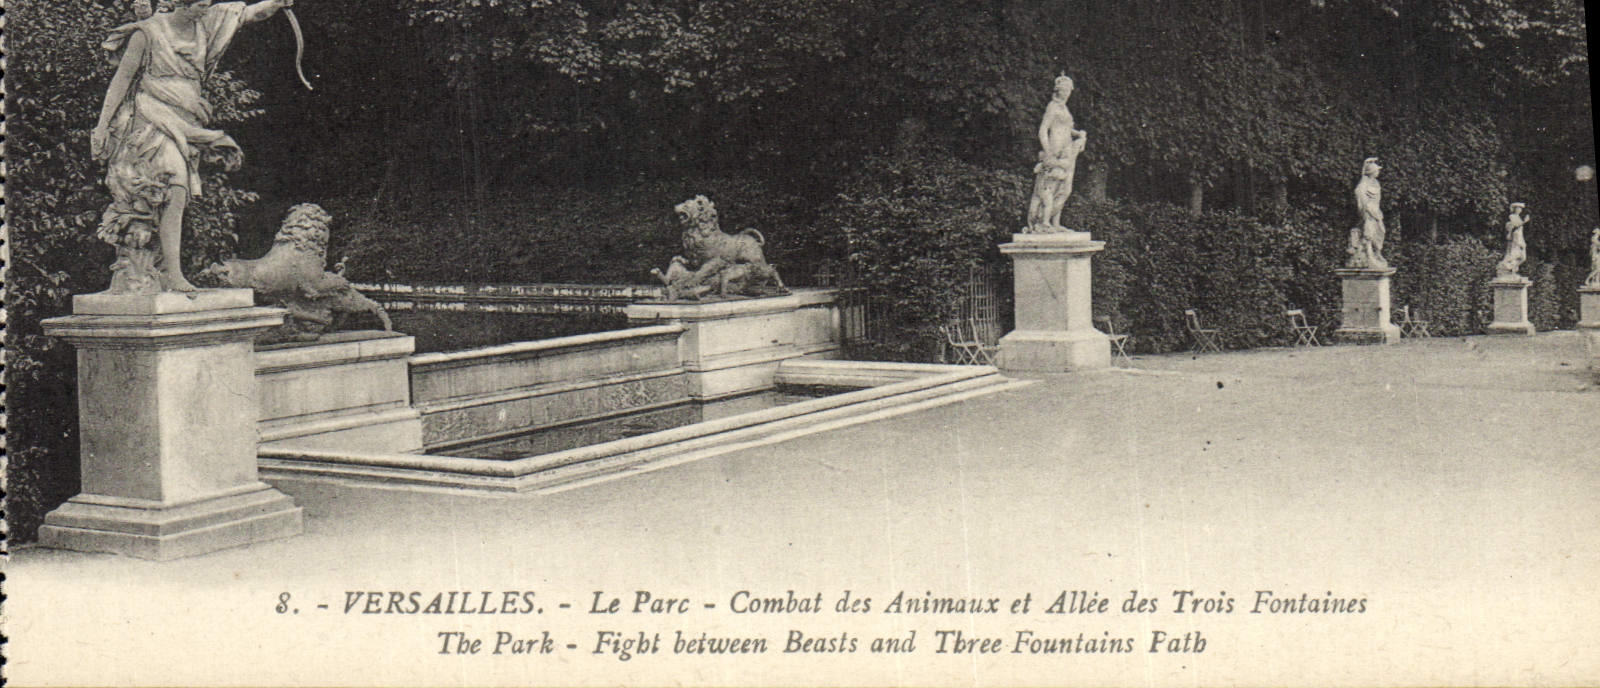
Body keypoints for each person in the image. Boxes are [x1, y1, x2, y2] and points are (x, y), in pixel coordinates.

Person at [92, 0, 296, 292]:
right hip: (152, 116)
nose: (205, 9)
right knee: (174, 188)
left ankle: (162, 269)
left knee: (174, 195)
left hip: (187, 121)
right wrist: (101, 127)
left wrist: (275, 2)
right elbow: (121, 80)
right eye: (199, 4)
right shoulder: (147, 33)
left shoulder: (205, 24)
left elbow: (248, 14)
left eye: (206, 4)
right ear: (179, 3)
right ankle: (173, 275)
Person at [1026, 75, 1088, 232]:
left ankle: (1055, 222)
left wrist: (1078, 133)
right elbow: (1042, 130)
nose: (1067, 92)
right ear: (1058, 90)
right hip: (1055, 149)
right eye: (1064, 89)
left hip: (1067, 150)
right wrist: (1048, 153)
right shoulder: (1052, 106)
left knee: (1065, 188)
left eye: (1069, 89)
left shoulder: (1064, 109)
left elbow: (1066, 128)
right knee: (1050, 186)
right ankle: (1043, 221)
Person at [1348, 157, 1388, 269]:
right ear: (1371, 172)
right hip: (1368, 212)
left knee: (1381, 231)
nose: (1378, 172)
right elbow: (1360, 198)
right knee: (1368, 233)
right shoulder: (1363, 185)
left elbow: (1377, 200)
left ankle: (1377, 253)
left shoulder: (1376, 183)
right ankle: (1370, 254)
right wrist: (1365, 211)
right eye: (1377, 170)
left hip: (1376, 212)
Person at [1495, 203, 1529, 278]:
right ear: (1514, 209)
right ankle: (1504, 267)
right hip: (1515, 238)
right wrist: (1524, 221)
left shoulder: (1518, 217)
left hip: (1520, 237)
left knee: (1523, 257)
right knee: (1514, 254)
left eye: (1520, 208)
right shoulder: (1512, 216)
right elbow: (1516, 225)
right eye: (1518, 208)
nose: (1520, 210)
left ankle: (1511, 268)